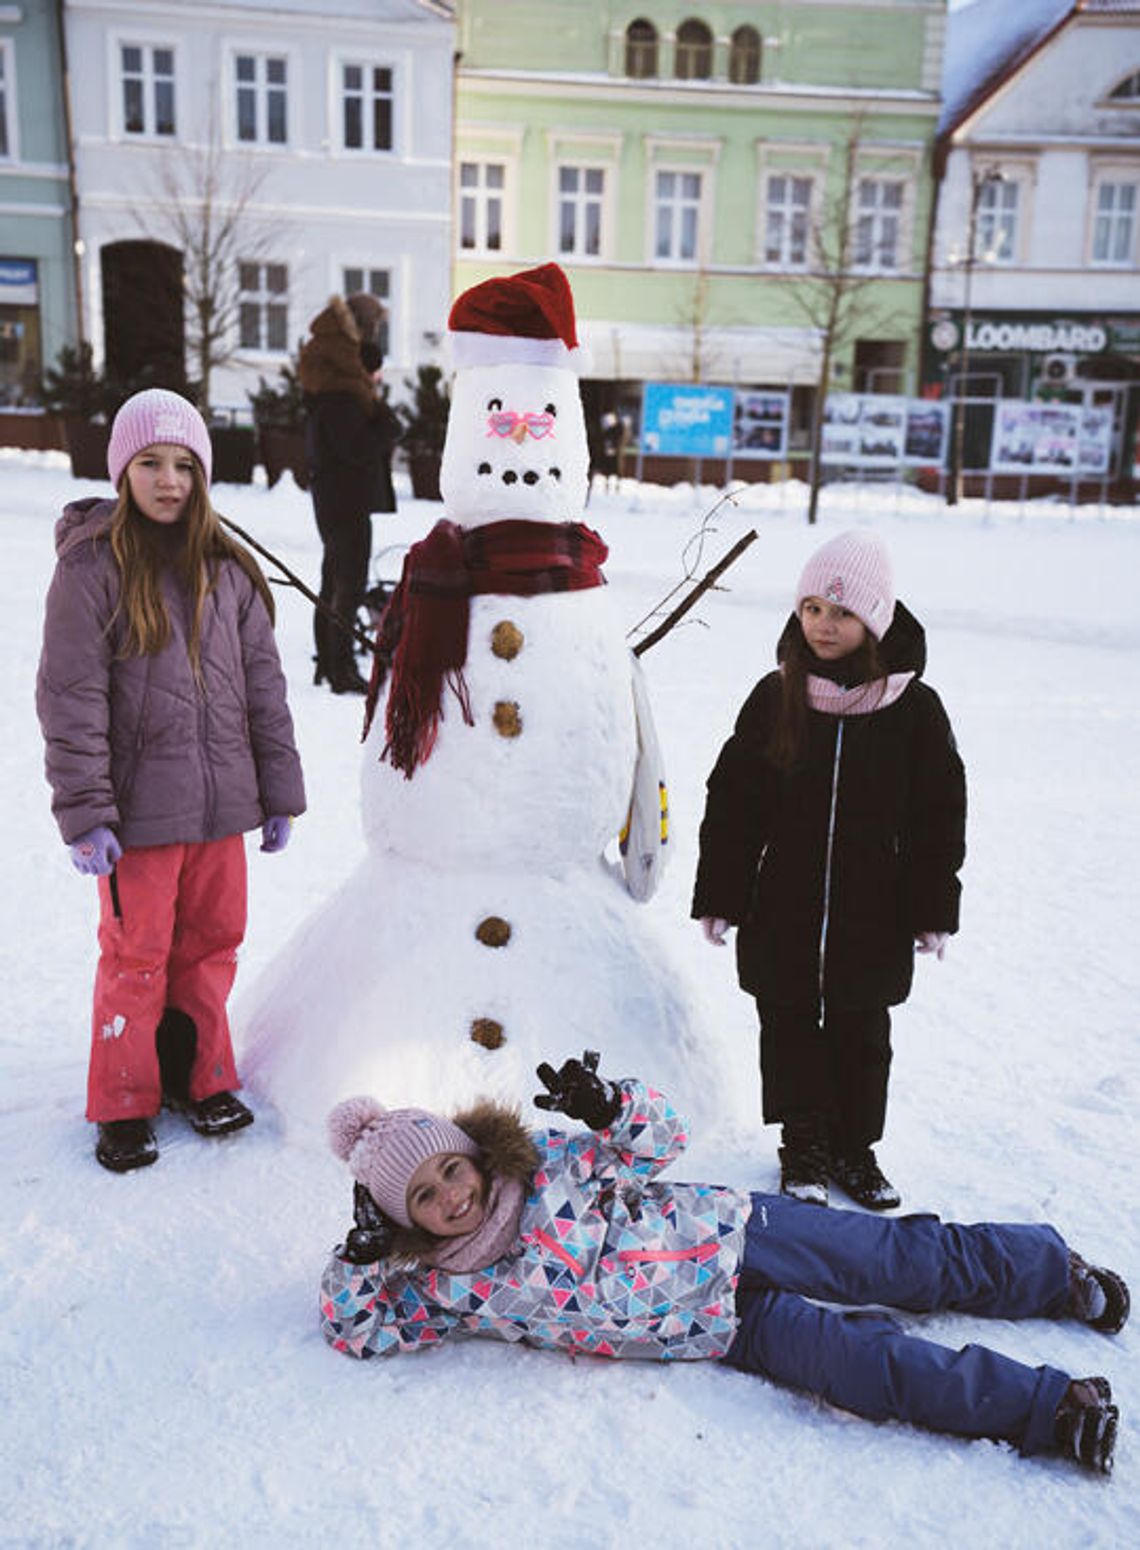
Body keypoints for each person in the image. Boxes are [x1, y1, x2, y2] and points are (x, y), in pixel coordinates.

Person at [320, 1053, 1126, 1476]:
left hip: (745, 1232)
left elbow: (663, 1138)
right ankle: (1049, 1409)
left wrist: (611, 1107)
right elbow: (359, 1332)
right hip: (718, 1327)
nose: (450, 1197)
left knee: (899, 1259)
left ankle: (1051, 1272)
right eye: (423, 1197)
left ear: (471, 1155)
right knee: (868, 1369)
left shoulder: (548, 1162)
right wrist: (359, 1260)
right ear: (405, 1222)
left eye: (450, 1170)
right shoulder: (445, 1288)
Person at [36, 388, 307, 1174]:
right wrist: (87, 814)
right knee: (137, 956)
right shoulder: (92, 569)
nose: (168, 481)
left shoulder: (226, 570)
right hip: (139, 817)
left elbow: (265, 686)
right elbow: (70, 697)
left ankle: (202, 1077)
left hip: (221, 810)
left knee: (212, 946)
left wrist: (278, 793)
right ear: (123, 471)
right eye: (150, 463)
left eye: (183, 465)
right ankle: (124, 1100)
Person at [692, 529, 966, 1211]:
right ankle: (804, 1144)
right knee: (786, 1023)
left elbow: (939, 817)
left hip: (873, 910)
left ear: (874, 619)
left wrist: (933, 908)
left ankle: (854, 1147)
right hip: (781, 905)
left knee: (862, 1032)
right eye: (812, 608)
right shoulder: (775, 696)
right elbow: (732, 804)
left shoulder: (913, 710)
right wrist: (721, 893)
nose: (823, 624)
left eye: (841, 612)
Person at [299, 292, 400, 695]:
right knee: (349, 584)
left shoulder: (332, 383)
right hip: (345, 498)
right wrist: (388, 426)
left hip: (336, 495)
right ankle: (340, 668)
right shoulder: (341, 393)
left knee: (333, 580)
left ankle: (328, 662)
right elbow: (355, 447)